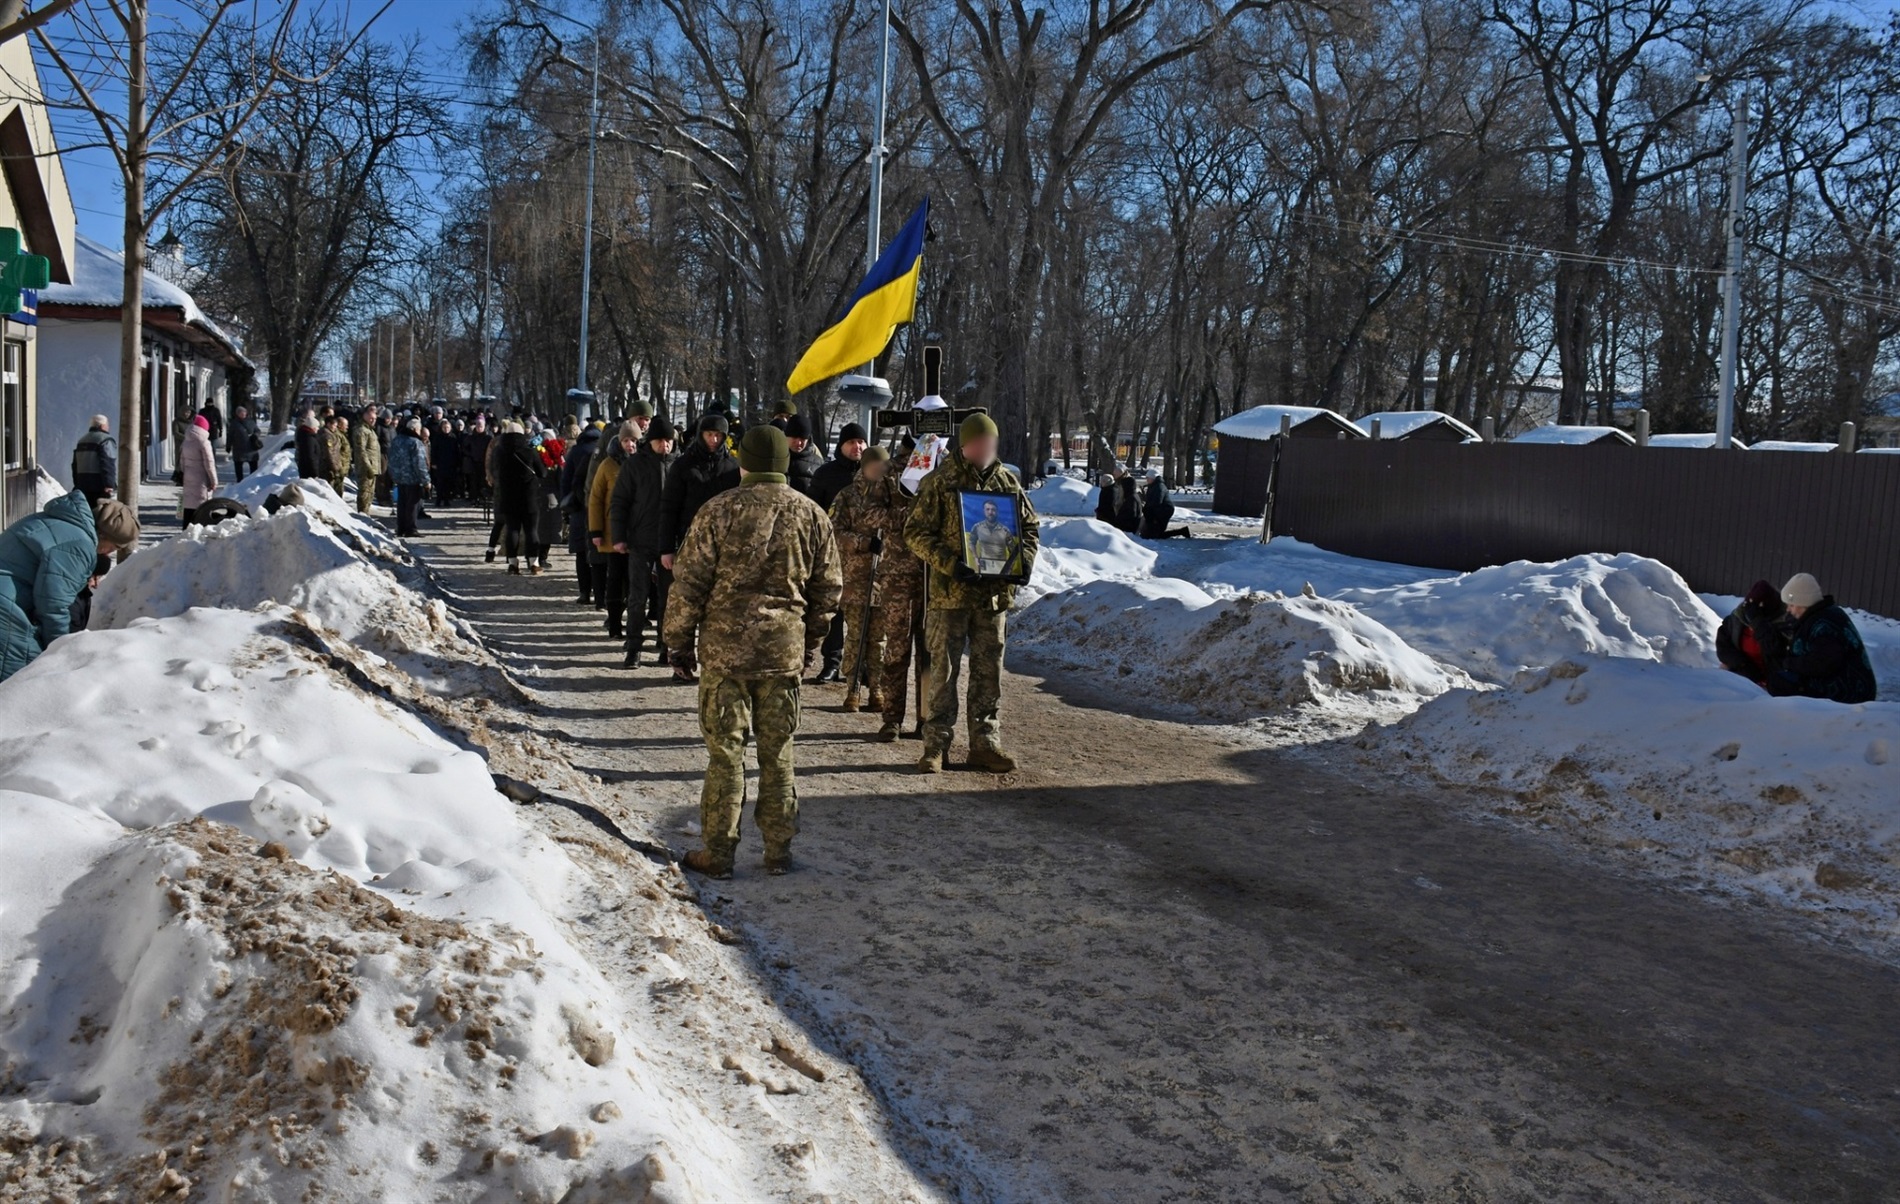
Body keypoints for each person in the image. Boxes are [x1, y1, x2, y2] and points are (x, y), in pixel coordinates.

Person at [663, 425, 842, 879]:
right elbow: (829, 589)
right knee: (778, 752)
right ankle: (778, 852)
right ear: (784, 462)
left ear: (743, 462)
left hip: (725, 656)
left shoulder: (717, 511)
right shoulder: (812, 515)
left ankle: (718, 854)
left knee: (725, 754)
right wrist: (810, 642)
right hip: (783, 653)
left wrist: (678, 644)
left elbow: (688, 585)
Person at [903, 412, 1040, 774]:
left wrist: (1022, 562)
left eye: (992, 444)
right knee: (943, 674)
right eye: (981, 444)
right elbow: (914, 533)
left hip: (992, 598)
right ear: (965, 445)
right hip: (950, 595)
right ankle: (936, 747)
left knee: (988, 673)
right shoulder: (940, 481)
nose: (987, 449)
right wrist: (950, 563)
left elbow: (1029, 529)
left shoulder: (1008, 483)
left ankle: (985, 743)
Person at [0, 494, 139, 682]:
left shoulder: (57, 521)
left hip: (8, 597)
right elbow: (54, 605)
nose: (109, 553)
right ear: (104, 535)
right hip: (5, 606)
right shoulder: (79, 545)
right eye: (114, 547)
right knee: (21, 675)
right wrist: (62, 652)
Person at [828, 445, 912, 719]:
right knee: (856, 636)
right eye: (873, 468)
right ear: (864, 468)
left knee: (879, 640)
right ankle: (852, 687)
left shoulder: (894, 498)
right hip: (855, 579)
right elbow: (835, 534)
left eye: (883, 468)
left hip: (884, 580)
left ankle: (876, 688)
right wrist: (863, 543)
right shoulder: (848, 497)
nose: (878, 473)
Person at [658, 416, 741, 680]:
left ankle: (715, 662)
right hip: (688, 544)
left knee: (717, 606)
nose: (714, 440)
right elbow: (668, 509)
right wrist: (666, 548)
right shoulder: (683, 465)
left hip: (725, 548)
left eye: (719, 435)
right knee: (685, 604)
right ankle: (680, 660)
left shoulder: (733, 468)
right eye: (709, 435)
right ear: (700, 435)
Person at [610, 416, 677, 668]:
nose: (665, 446)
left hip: (669, 542)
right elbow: (620, 502)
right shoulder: (635, 465)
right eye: (661, 441)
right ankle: (634, 647)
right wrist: (619, 537)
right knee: (637, 597)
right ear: (651, 441)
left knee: (668, 598)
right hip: (640, 539)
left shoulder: (676, 466)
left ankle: (666, 646)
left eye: (669, 441)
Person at [809, 422, 869, 681]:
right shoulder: (825, 474)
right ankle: (831, 661)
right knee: (834, 609)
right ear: (841, 446)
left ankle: (862, 665)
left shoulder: (874, 474)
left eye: (861, 442)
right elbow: (814, 513)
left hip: (866, 557)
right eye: (851, 442)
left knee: (866, 612)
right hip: (833, 554)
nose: (857, 447)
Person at [1765, 573, 1877, 703]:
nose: (1788, 610)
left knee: (1779, 682)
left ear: (1804, 603)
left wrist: (1789, 664)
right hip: (1850, 685)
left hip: (1851, 692)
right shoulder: (1822, 615)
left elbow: (1822, 663)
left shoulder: (1824, 624)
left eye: (1792, 605)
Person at [588, 421, 637, 633]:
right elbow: (596, 499)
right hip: (611, 532)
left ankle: (636, 620)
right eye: (626, 440)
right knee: (615, 578)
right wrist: (596, 531)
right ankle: (614, 622)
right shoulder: (607, 465)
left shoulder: (641, 463)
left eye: (634, 440)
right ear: (619, 441)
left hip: (636, 531)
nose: (630, 445)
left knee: (635, 580)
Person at [492, 421, 547, 574]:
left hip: (508, 496)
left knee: (512, 530)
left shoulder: (499, 452)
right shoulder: (529, 451)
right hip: (529, 496)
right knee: (531, 530)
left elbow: (495, 471)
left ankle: (513, 564)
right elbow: (542, 473)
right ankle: (534, 563)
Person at [1715, 580, 1786, 687]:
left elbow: (1775, 650)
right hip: (1742, 673)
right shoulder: (1736, 619)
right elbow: (1723, 647)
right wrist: (1743, 665)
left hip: (1772, 681)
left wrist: (1758, 624)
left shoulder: (1786, 622)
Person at [562, 422, 602, 605]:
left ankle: (585, 592)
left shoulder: (576, 451)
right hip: (600, 508)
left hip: (579, 507)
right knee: (599, 553)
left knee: (581, 551)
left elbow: (567, 480)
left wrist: (567, 509)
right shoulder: (602, 451)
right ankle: (600, 592)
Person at [389, 417, 431, 538]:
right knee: (413, 504)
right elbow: (420, 464)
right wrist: (426, 480)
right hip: (413, 478)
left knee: (402, 503)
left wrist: (393, 474)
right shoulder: (415, 442)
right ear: (413, 429)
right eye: (418, 429)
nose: (419, 432)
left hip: (399, 477)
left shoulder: (396, 440)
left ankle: (401, 527)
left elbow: (391, 458)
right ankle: (411, 528)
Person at [179, 413, 219, 523]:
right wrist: (214, 481)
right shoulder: (204, 442)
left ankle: (186, 528)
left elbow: (181, 460)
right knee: (201, 504)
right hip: (201, 477)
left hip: (188, 475)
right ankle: (198, 528)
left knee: (188, 503)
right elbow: (209, 463)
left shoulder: (186, 440)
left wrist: (184, 472)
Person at [70, 415, 117, 502]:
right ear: (102, 426)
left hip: (82, 484)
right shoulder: (106, 440)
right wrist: (109, 484)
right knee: (101, 513)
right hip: (99, 485)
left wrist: (77, 483)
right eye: (107, 425)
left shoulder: (82, 440)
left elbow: (75, 464)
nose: (108, 427)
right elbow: (107, 462)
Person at [1138, 469, 1191, 539]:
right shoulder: (1154, 486)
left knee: (1155, 535)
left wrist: (1149, 512)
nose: (1147, 480)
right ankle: (1182, 531)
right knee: (1155, 534)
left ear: (1153, 478)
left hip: (1164, 511)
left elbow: (1156, 502)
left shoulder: (1159, 487)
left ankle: (1182, 531)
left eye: (1148, 478)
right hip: (1159, 511)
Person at [351, 404, 384, 514]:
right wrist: (368, 467)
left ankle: (366, 515)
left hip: (373, 468)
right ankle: (363, 515)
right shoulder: (361, 430)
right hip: (365, 469)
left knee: (370, 495)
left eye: (374, 418)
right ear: (364, 416)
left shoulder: (370, 430)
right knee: (364, 495)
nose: (373, 420)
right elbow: (361, 451)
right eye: (371, 418)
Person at [783, 415, 824, 500]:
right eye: (794, 437)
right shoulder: (775, 459)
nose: (798, 443)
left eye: (802, 438)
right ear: (786, 436)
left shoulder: (818, 464)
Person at [323, 414, 353, 501]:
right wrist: (337, 467)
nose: (347, 427)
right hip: (337, 466)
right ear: (339, 425)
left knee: (339, 490)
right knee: (335, 492)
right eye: (345, 425)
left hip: (341, 466)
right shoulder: (336, 436)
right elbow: (334, 452)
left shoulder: (342, 435)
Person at [228, 406, 262, 481]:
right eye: (241, 412)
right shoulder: (234, 423)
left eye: (244, 412)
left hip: (251, 448)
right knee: (238, 466)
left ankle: (253, 480)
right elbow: (230, 435)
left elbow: (258, 430)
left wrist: (255, 435)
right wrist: (228, 446)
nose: (243, 414)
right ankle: (239, 481)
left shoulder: (251, 422)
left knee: (253, 466)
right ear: (237, 414)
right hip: (238, 448)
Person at [295, 413, 324, 480]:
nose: (318, 429)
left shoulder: (307, 436)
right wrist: (315, 473)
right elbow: (310, 457)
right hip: (309, 472)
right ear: (312, 427)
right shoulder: (308, 439)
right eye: (317, 427)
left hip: (306, 470)